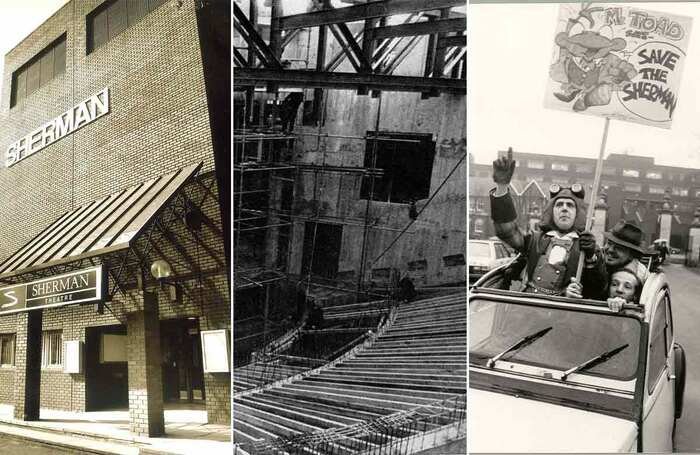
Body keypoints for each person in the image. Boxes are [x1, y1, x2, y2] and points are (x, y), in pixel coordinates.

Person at [490, 149, 606, 297]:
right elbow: (506, 231)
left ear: (578, 214)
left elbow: (599, 289)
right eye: (559, 205)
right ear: (551, 211)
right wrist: (501, 187)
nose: (564, 208)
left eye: (570, 205)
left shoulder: (587, 248)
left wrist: (591, 258)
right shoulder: (534, 240)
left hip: (562, 316)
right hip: (526, 309)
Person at [567, 220, 649, 301]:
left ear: (632, 255)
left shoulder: (640, 278)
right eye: (609, 243)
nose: (610, 250)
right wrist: (570, 292)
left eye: (619, 248)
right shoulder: (596, 258)